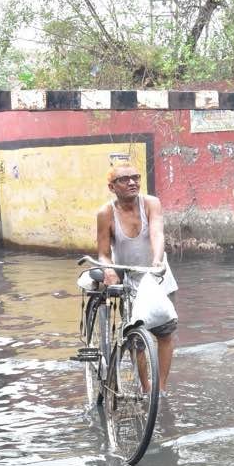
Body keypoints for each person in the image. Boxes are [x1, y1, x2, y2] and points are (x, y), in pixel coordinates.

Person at [96, 161, 179, 393]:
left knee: (165, 333)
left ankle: (160, 389)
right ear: (112, 187)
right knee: (136, 342)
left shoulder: (151, 203)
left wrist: (157, 259)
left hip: (158, 276)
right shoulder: (105, 213)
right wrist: (108, 269)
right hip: (130, 282)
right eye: (124, 179)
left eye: (135, 177)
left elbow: (157, 231)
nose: (132, 182)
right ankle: (145, 388)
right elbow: (103, 253)